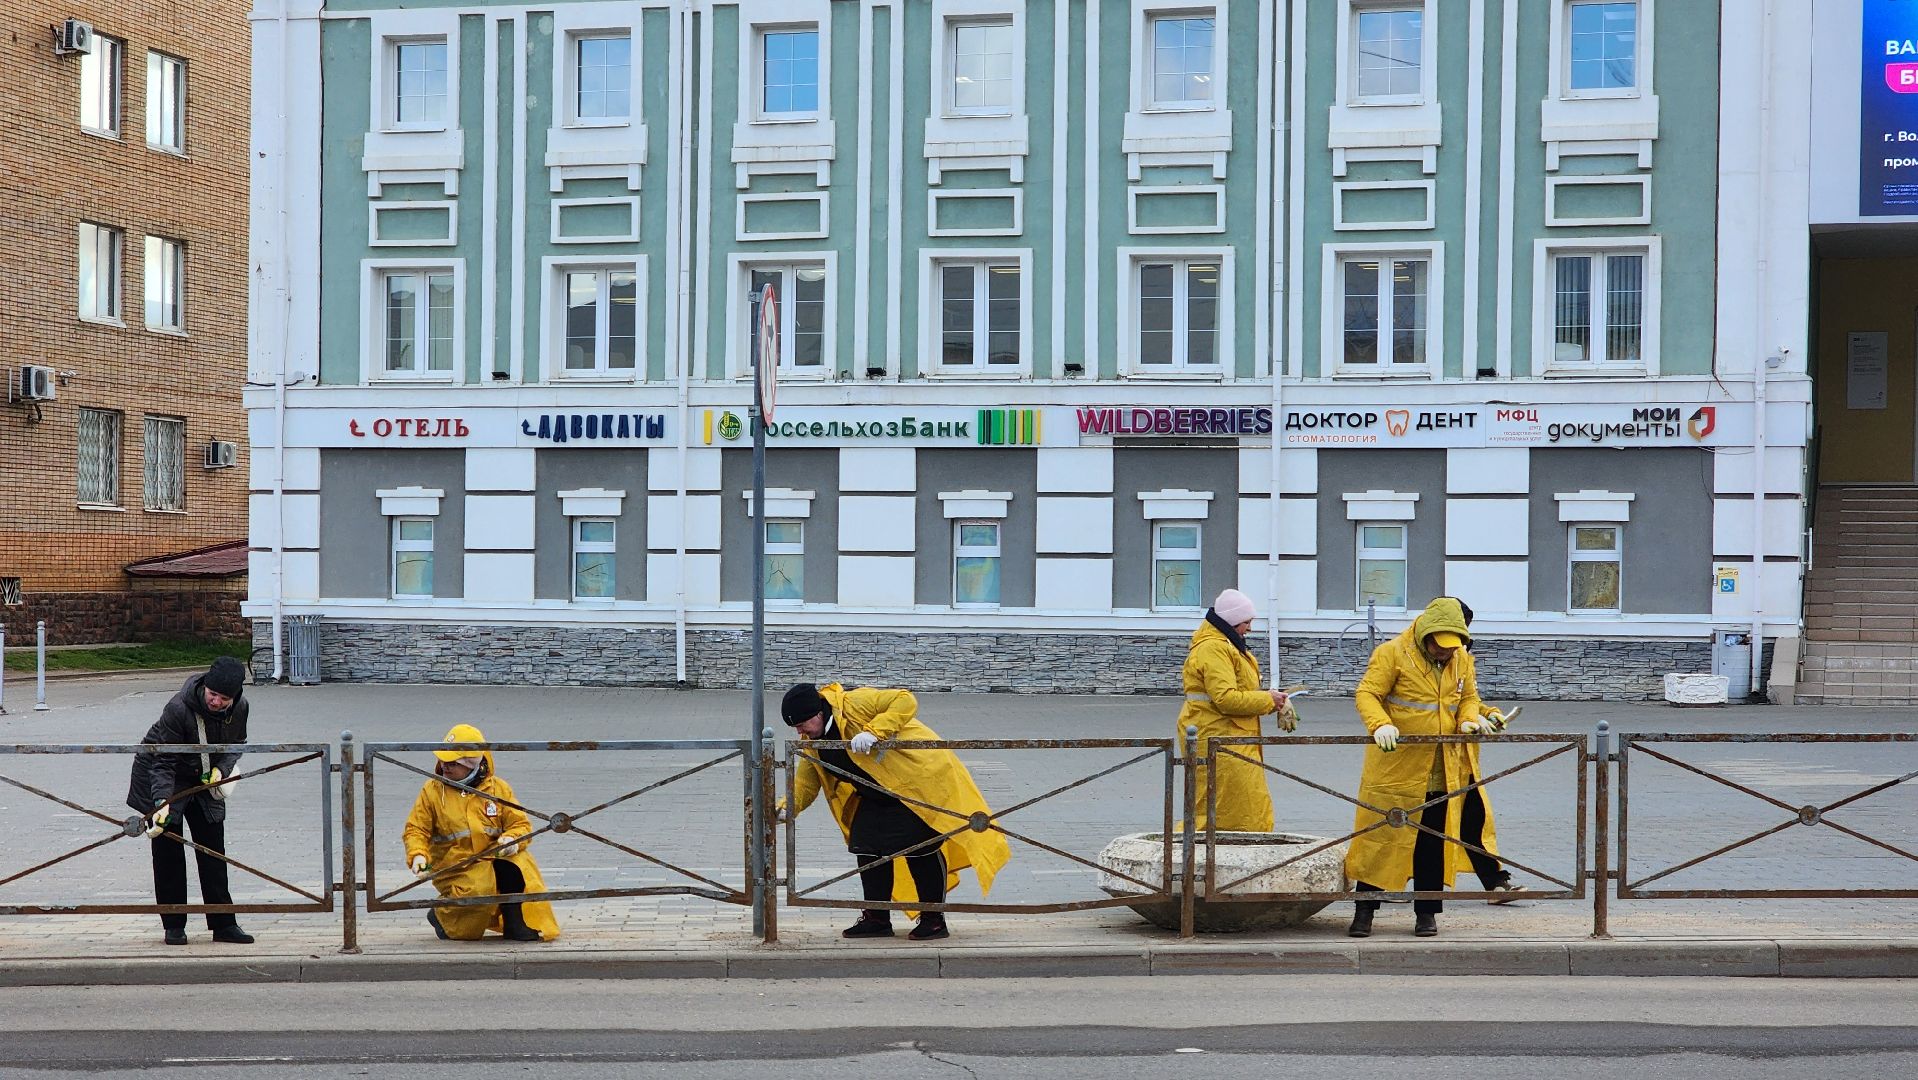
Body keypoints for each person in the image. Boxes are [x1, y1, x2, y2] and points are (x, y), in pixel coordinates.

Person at [1343, 596, 1522, 939]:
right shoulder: (1391, 653)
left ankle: (1427, 912)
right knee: (1380, 839)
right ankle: (1364, 910)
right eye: (1441, 647)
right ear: (1426, 634)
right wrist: (1380, 724)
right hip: (1397, 768)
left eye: (1452, 648)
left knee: (1431, 843)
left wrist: (1470, 720)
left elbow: (1467, 698)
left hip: (1442, 767)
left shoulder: (1461, 660)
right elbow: (1367, 693)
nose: (1446, 653)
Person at [778, 682, 1010, 941]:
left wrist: (873, 732)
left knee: (919, 847)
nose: (799, 731)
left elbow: (905, 699)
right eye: (795, 727)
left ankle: (933, 919)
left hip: (917, 783)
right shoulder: (812, 742)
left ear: (818, 713)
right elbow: (805, 783)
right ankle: (877, 917)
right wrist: (786, 809)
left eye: (801, 724)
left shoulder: (854, 704)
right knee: (866, 846)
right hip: (876, 793)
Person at [127, 656, 256, 946]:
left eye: (224, 699)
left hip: (203, 776)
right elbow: (163, 761)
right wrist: (161, 803)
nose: (216, 702)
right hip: (162, 775)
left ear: (234, 697)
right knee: (168, 850)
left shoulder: (241, 708)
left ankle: (223, 923)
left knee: (213, 848)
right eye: (213, 695)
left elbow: (237, 744)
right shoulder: (177, 708)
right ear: (205, 687)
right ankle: (174, 924)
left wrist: (221, 771)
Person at [401, 723, 559, 942]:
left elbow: (521, 824)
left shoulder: (498, 788)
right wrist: (418, 854)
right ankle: (441, 915)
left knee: (520, 867)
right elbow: (416, 828)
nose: (445, 766)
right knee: (472, 912)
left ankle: (515, 924)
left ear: (471, 764)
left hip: (492, 855)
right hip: (457, 865)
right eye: (443, 760)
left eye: (453, 762)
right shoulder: (433, 791)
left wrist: (512, 839)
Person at [1177, 588, 1294, 832]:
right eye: (1246, 622)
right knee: (1223, 808)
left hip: (1229, 735)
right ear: (1231, 621)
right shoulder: (1214, 648)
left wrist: (1275, 702)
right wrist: (1269, 700)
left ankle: (1217, 856)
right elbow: (1226, 698)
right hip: (1219, 736)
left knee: (1236, 805)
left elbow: (1239, 691)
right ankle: (1194, 858)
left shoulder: (1226, 645)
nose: (1249, 628)